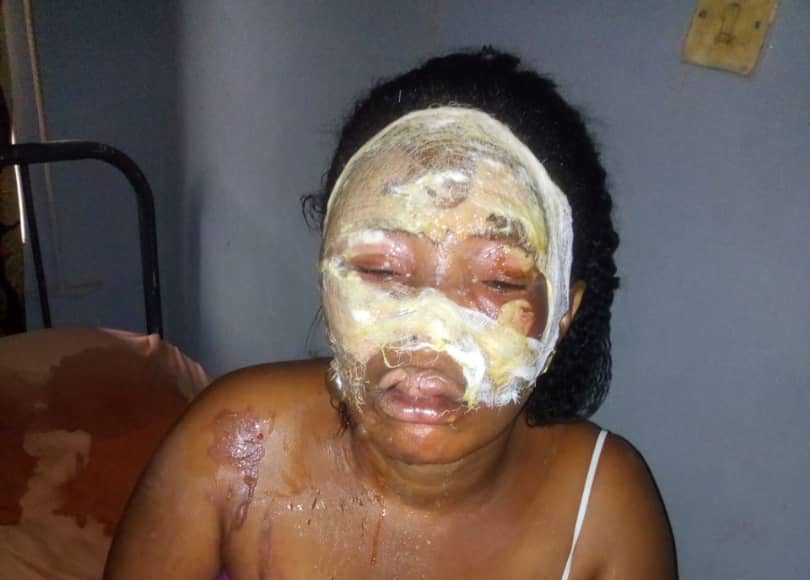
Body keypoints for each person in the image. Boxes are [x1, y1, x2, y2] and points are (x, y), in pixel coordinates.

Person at [105, 48, 676, 580]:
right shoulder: (235, 447)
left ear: (563, 315)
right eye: (382, 269)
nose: (428, 334)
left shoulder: (604, 511)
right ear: (324, 272)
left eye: (498, 281)